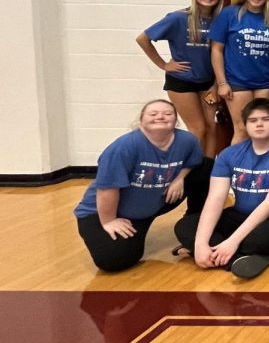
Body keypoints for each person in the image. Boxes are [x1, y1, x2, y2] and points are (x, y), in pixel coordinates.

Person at [174, 98, 269, 279]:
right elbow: (216, 198)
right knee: (184, 226)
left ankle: (219, 251)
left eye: (265, 119)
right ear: (246, 125)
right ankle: (236, 258)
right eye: (253, 120)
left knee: (260, 240)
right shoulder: (229, 154)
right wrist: (201, 243)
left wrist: (232, 241)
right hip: (240, 214)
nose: (259, 124)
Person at [74, 99, 203, 273]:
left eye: (167, 113)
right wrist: (109, 221)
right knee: (113, 260)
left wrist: (179, 178)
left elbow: (194, 162)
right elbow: (107, 188)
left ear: (175, 120)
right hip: (104, 211)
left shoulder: (187, 140)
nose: (161, 117)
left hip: (158, 199)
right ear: (141, 120)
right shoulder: (124, 147)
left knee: (206, 168)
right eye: (153, 114)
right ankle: (128, 231)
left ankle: (195, 226)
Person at [135, 0, 224, 159]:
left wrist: (216, 84)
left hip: (208, 83)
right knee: (197, 129)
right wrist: (163, 64)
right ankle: (190, 171)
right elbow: (143, 39)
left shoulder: (220, 21)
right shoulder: (178, 18)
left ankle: (207, 171)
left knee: (211, 127)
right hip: (182, 83)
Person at [210, 0, 269, 144]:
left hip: (264, 82)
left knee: (264, 129)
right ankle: (234, 169)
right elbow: (216, 50)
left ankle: (262, 168)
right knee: (242, 128)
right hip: (236, 81)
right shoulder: (230, 13)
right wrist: (221, 83)